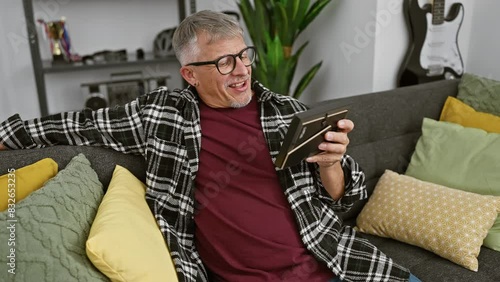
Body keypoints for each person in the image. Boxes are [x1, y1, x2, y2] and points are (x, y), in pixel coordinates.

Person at [0, 10, 421, 282]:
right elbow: (71, 125)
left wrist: (333, 164)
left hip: (338, 263)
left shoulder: (288, 111)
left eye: (244, 55)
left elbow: (346, 200)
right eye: (224, 62)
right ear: (189, 74)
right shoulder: (160, 116)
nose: (241, 71)